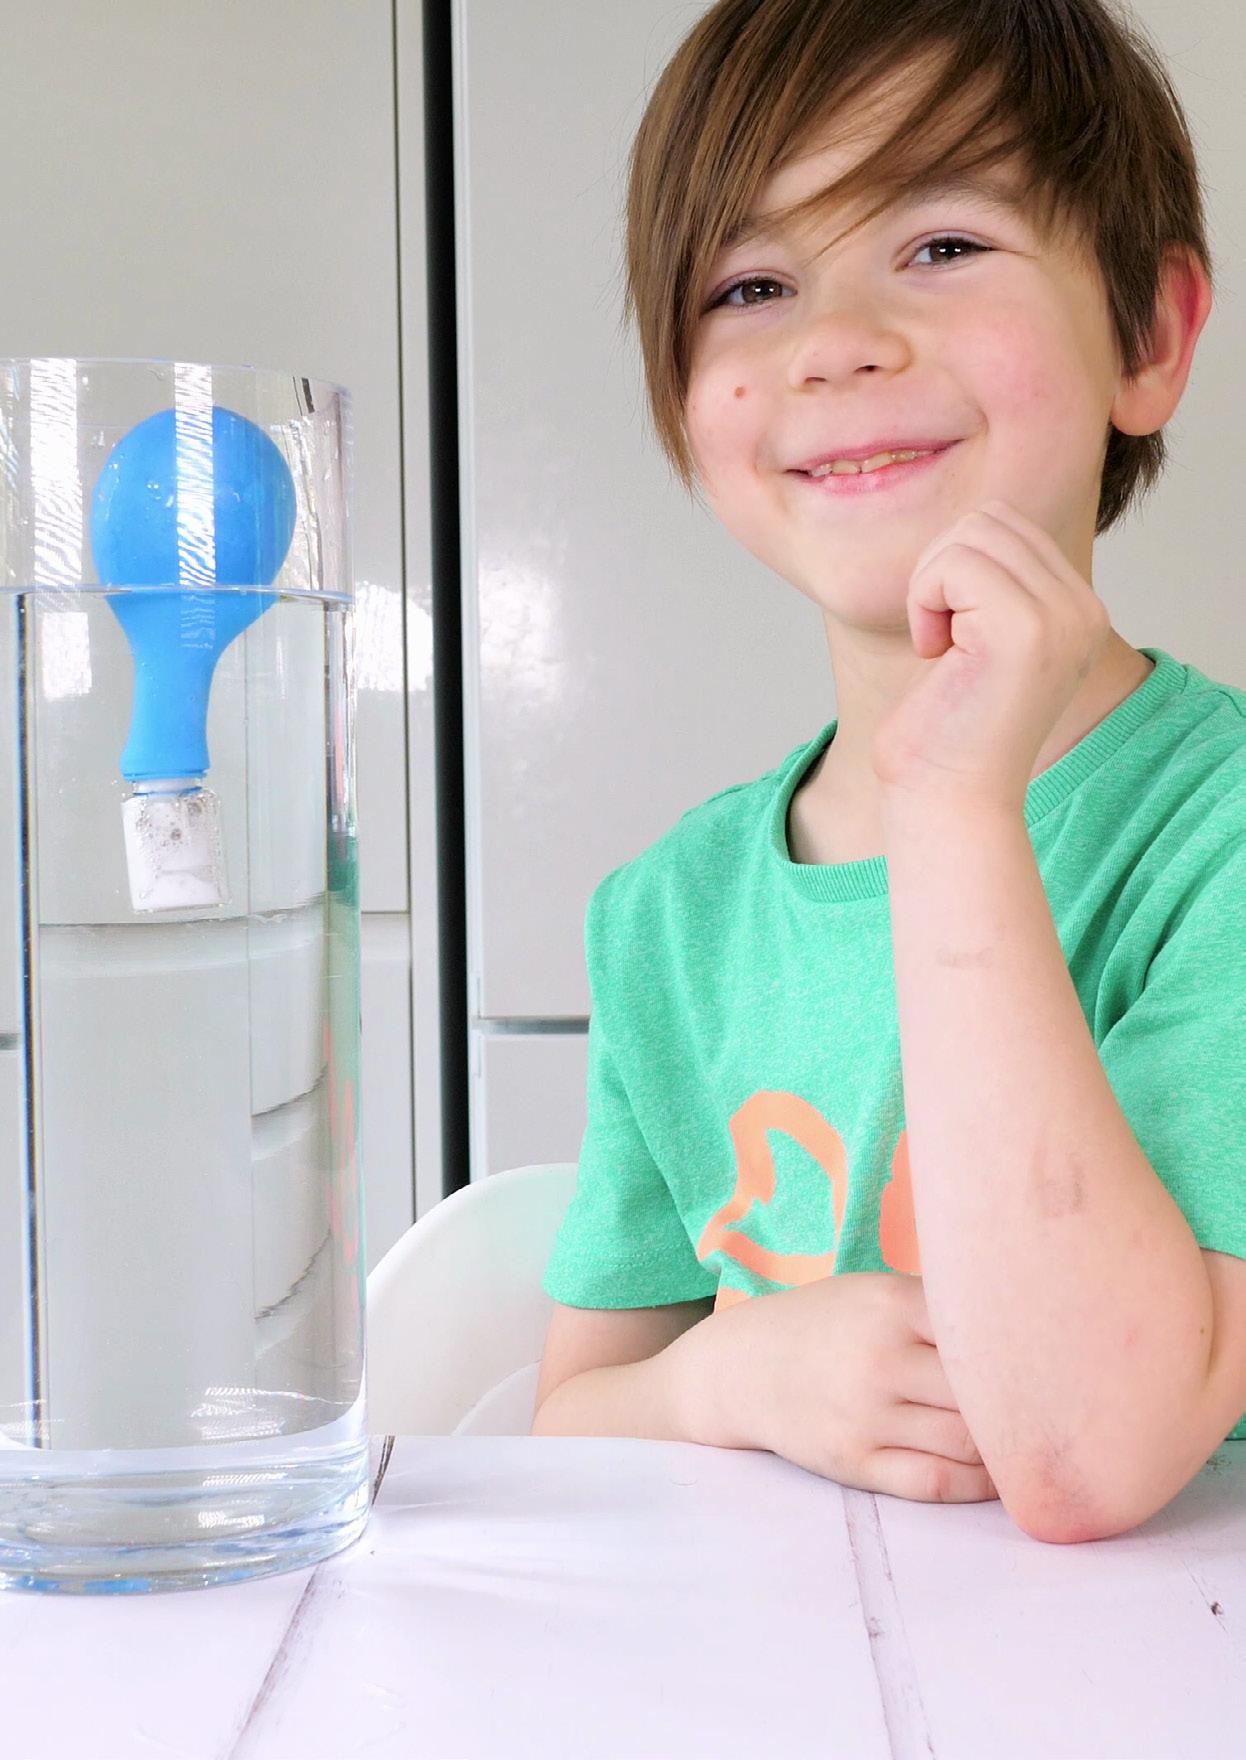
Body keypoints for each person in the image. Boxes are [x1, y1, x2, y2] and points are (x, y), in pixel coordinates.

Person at [532, 0, 1243, 1543]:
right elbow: (570, 1417)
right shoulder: (667, 912)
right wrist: (726, 1379)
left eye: (940, 244)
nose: (835, 341)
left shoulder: (1220, 840)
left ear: (1146, 335)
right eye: (752, 284)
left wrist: (953, 808)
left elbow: (1088, 1457)